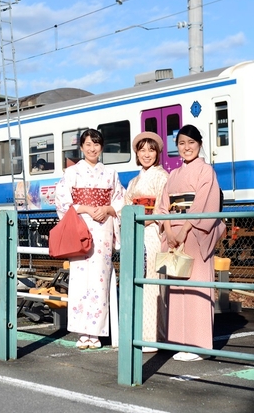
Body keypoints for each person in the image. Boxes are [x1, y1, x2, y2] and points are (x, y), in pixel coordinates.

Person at [157, 124, 225, 361]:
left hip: (195, 233)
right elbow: (163, 206)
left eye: (191, 143)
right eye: (182, 143)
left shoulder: (206, 171)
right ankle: (180, 341)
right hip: (175, 233)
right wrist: (168, 228)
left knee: (195, 285)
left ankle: (198, 345)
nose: (187, 148)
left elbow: (205, 204)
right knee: (176, 289)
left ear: (199, 145)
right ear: (177, 147)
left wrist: (184, 229)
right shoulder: (173, 174)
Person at [54, 128, 125, 350]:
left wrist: (107, 208)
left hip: (103, 230)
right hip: (81, 227)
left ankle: (96, 332)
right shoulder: (72, 173)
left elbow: (121, 200)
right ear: (82, 147)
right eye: (88, 144)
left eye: (96, 144)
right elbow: (62, 201)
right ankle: (82, 331)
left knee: (100, 279)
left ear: (101, 147)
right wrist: (85, 207)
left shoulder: (111, 174)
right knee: (79, 279)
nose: (92, 148)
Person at [122, 131, 169, 353]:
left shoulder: (163, 177)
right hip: (136, 234)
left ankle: (154, 335)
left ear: (158, 152)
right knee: (138, 282)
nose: (147, 154)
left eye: (151, 149)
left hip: (152, 234)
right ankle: (139, 332)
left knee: (152, 282)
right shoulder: (133, 181)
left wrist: (143, 218)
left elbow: (162, 207)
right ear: (137, 154)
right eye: (142, 150)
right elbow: (125, 206)